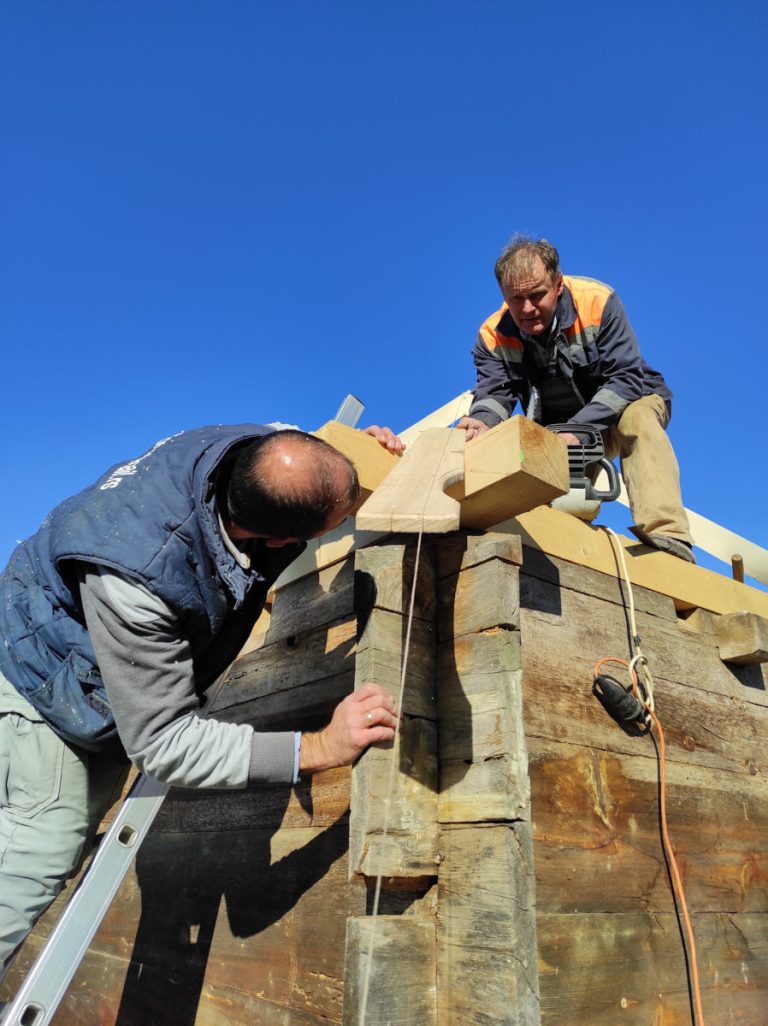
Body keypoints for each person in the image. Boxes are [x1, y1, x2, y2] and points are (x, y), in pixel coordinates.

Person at [0, 422, 401, 973]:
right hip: (42, 680)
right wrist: (315, 749)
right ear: (280, 541)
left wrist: (364, 452)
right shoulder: (139, 582)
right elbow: (163, 743)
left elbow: (310, 456)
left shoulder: (257, 444)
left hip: (86, 640)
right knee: (39, 848)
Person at [457, 234, 694, 562]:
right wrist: (481, 423)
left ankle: (668, 535)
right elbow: (496, 393)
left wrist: (578, 428)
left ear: (558, 284)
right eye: (516, 299)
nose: (527, 309)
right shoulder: (492, 336)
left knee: (636, 420)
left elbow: (626, 378)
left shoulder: (597, 301)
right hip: (561, 433)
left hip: (626, 404)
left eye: (537, 295)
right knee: (562, 509)